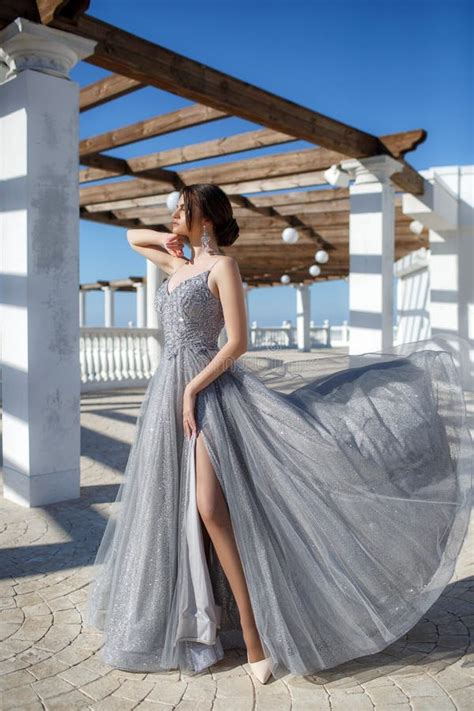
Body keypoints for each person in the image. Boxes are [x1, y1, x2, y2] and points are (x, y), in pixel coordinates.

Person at [85, 183, 472, 685]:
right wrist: (172, 236)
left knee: (210, 507)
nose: (175, 215)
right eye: (176, 209)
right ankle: (199, 619)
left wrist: (193, 390)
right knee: (170, 506)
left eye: (184, 209)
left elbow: (239, 343)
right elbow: (133, 238)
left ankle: (256, 638)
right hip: (170, 396)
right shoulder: (174, 266)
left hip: (211, 392)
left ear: (207, 219)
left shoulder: (222, 268)